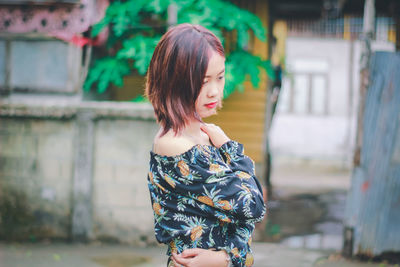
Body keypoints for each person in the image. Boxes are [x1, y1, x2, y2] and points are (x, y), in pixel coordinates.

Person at [145, 23, 266, 267]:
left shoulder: (202, 134)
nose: (214, 91)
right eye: (203, 81)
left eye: (219, 77)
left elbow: (244, 224)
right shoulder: (176, 147)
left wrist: (228, 257)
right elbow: (254, 207)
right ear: (174, 82)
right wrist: (231, 149)